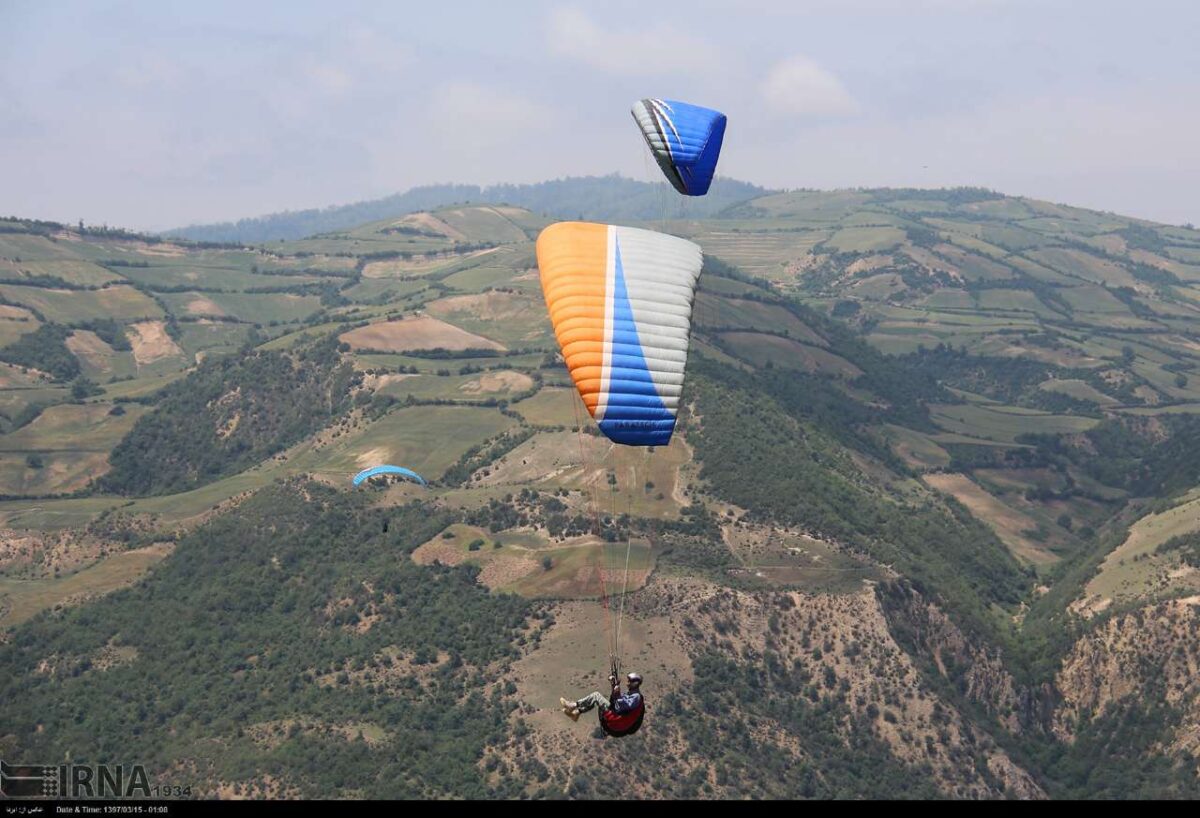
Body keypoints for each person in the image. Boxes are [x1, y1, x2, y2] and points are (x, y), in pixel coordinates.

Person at [561, 672, 643, 724]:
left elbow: (624, 706)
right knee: (594, 701)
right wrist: (614, 685)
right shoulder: (630, 693)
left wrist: (618, 694)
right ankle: (576, 713)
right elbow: (615, 699)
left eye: (629, 682)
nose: (627, 683)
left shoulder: (636, 696)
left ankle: (573, 705)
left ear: (635, 683)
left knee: (596, 695)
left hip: (616, 714)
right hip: (615, 709)